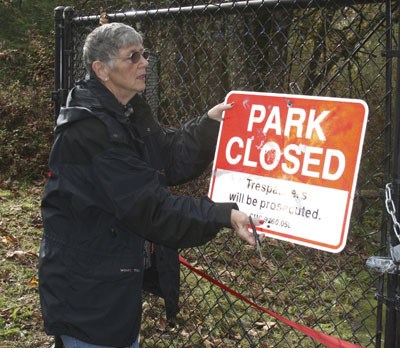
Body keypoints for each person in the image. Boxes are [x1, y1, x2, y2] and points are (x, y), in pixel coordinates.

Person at [39, 22, 263, 348]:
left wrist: (210, 127)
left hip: (113, 280)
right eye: (133, 57)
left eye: (144, 54)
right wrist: (222, 215)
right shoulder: (88, 130)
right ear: (102, 69)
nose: (144, 62)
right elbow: (149, 207)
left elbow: (167, 157)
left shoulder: (127, 110)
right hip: (86, 291)